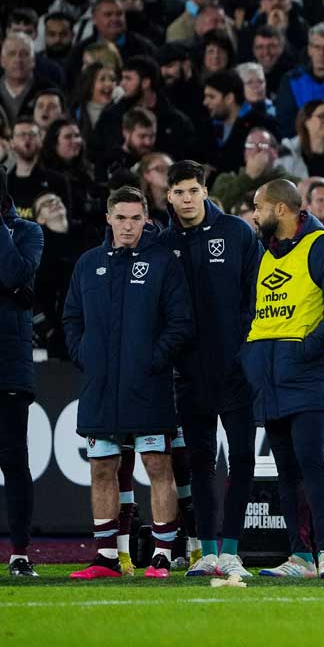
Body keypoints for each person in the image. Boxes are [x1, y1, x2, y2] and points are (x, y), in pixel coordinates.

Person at [64, 187, 193, 579]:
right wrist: (87, 356)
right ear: (108, 218)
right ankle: (105, 557)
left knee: (157, 465)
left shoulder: (162, 263)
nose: (128, 226)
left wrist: (151, 362)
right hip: (101, 388)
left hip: (148, 386)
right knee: (102, 468)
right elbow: (70, 318)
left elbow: (181, 323)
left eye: (136, 218)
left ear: (145, 220)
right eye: (121, 218)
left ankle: (162, 555)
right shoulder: (88, 264)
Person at [241, 179, 324, 580]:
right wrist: (253, 359)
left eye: (259, 207)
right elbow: (254, 313)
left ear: (282, 210)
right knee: (286, 470)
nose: (254, 214)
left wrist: (304, 352)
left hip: (310, 375)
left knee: (311, 462)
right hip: (270, 378)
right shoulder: (264, 254)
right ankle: (300, 555)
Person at [157, 161, 261, 580]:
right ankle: (208, 551)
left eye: (193, 190)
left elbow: (254, 296)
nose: (186, 199)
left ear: (205, 191)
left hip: (236, 369)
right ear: (168, 196)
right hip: (190, 374)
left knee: (241, 458)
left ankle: (232, 550)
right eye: (178, 192)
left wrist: (245, 352)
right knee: (199, 461)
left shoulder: (236, 232)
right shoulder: (163, 245)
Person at [0, 169, 41, 577]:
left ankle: (20, 553)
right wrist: (12, 292)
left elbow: (15, 274)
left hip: (10, 364)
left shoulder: (28, 231)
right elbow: (14, 286)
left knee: (14, 459)